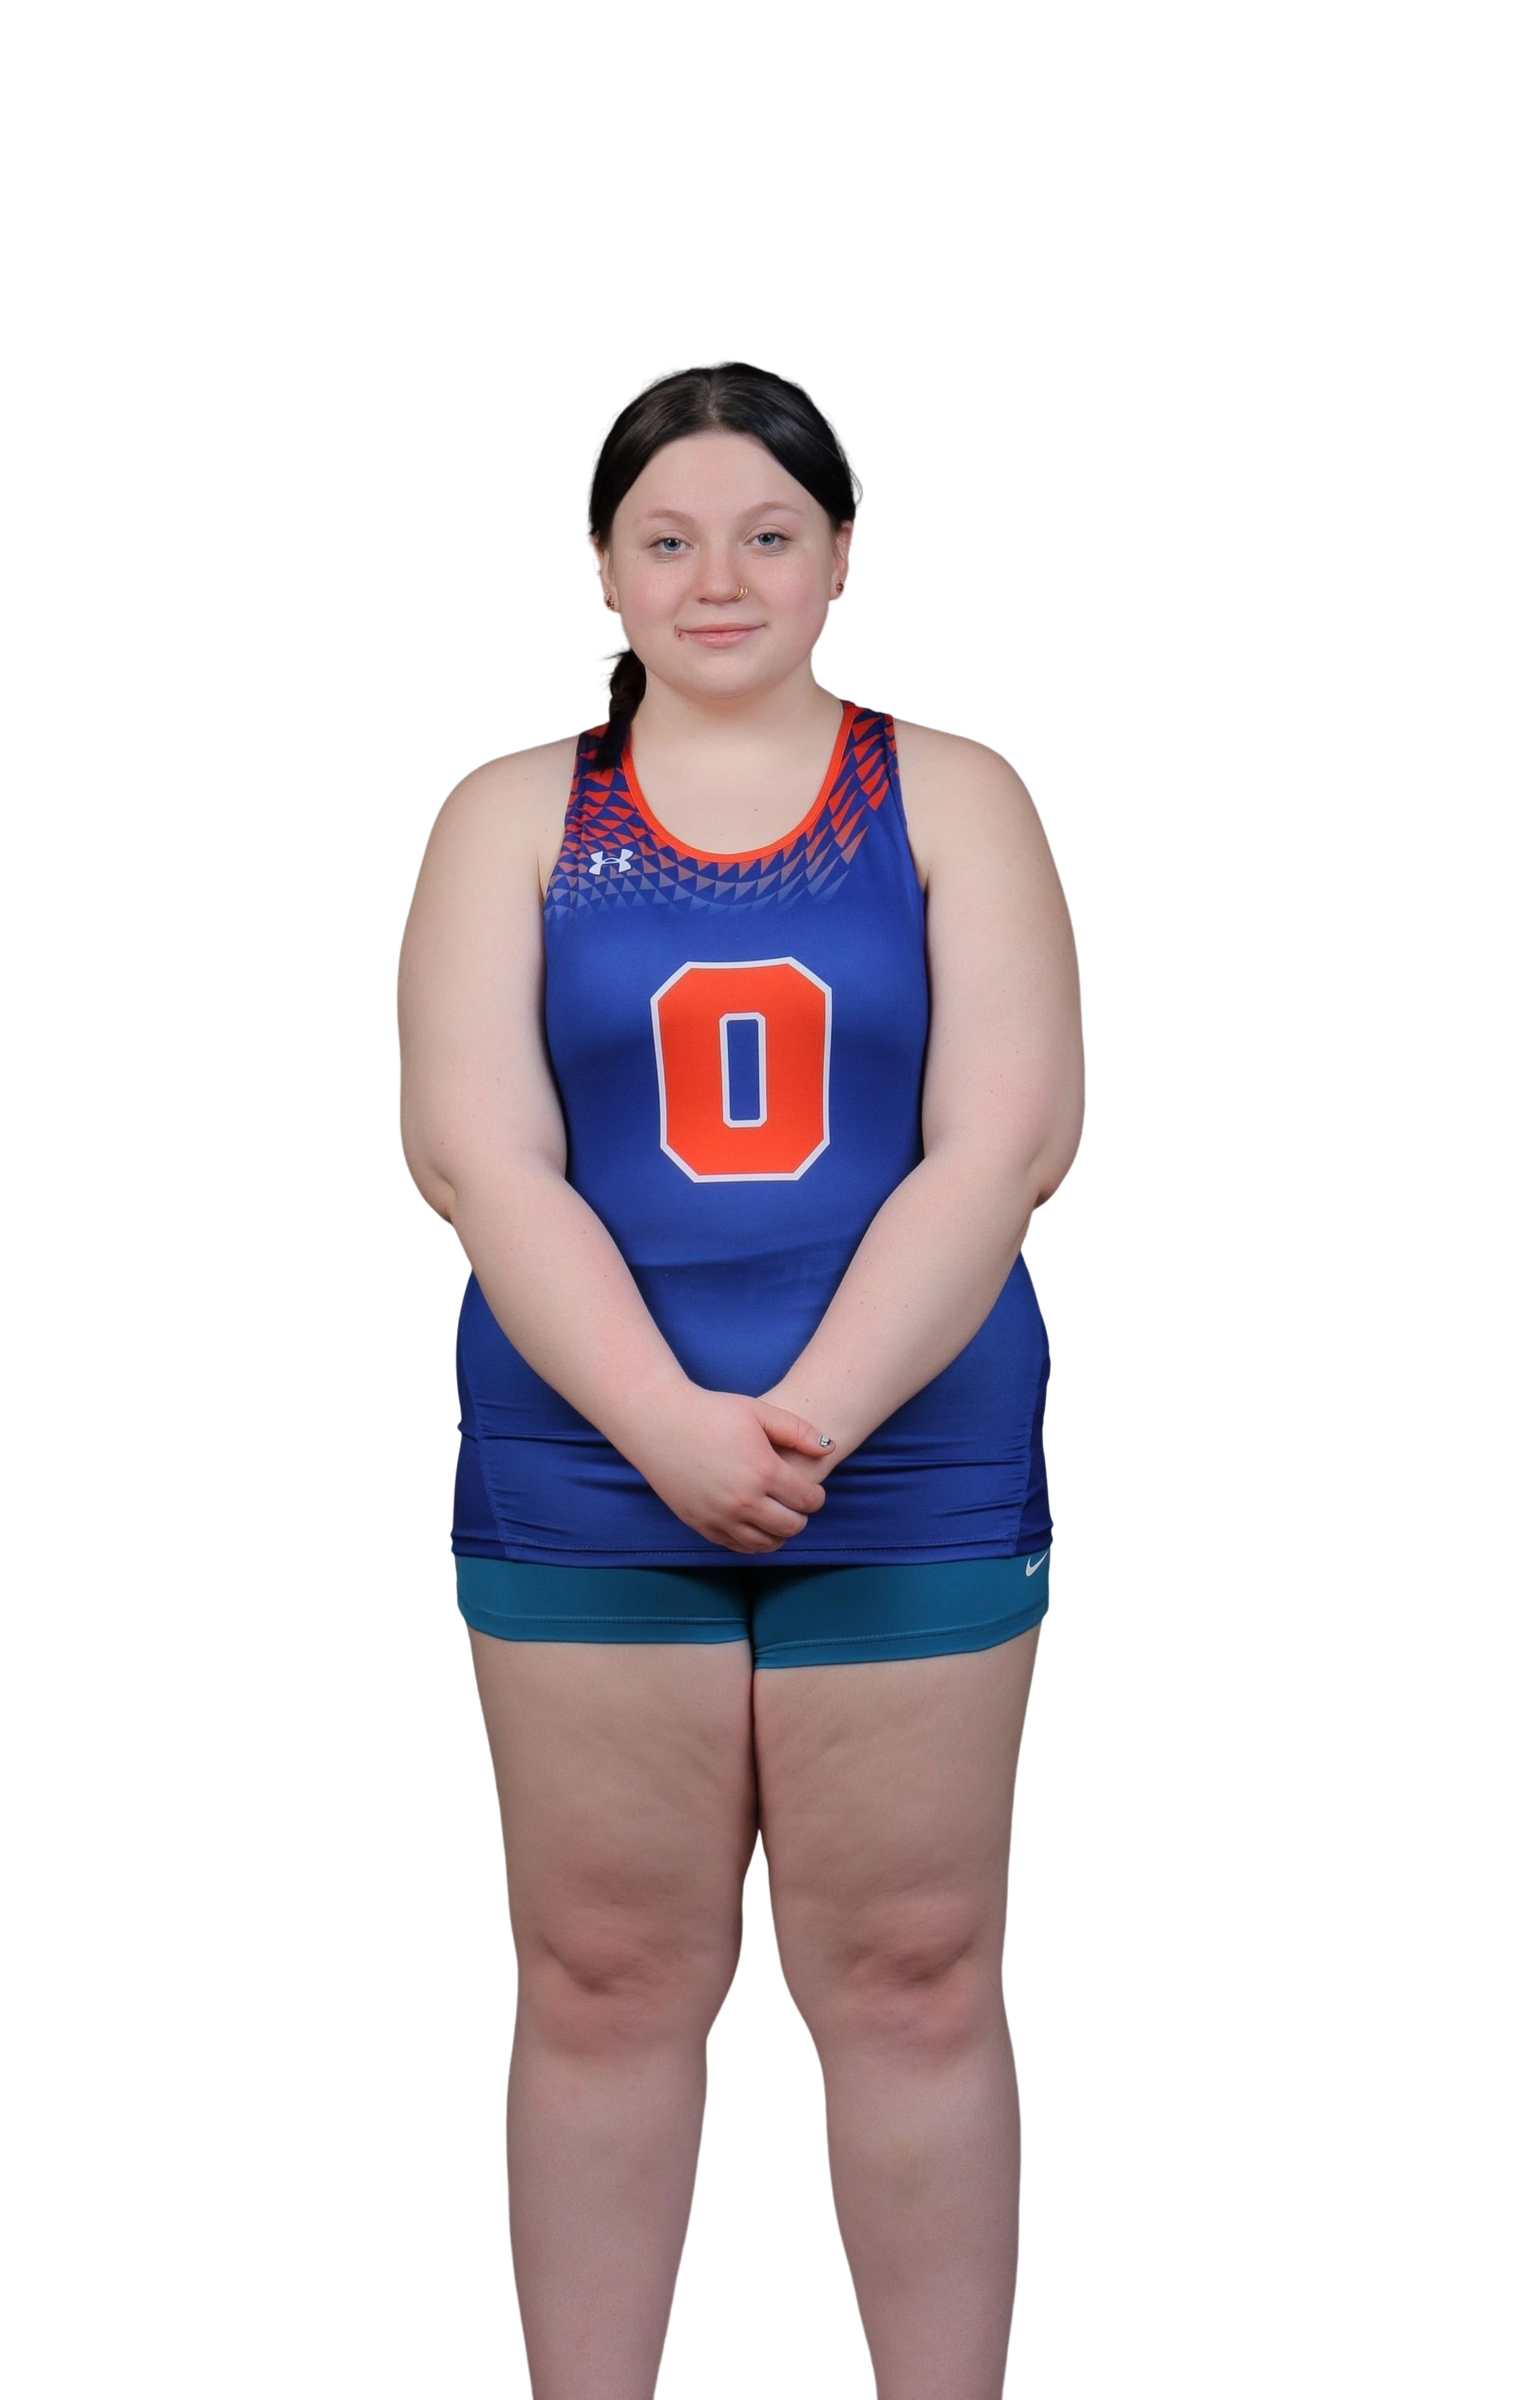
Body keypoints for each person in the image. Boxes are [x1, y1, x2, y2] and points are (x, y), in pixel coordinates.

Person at [393, 355, 1087, 2400]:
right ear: (602, 567)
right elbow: (476, 1157)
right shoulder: (510, 815)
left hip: (917, 1461)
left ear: (841, 555)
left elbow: (1009, 1141)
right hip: (582, 1466)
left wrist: (808, 1424)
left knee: (916, 1976)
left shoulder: (954, 795)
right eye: (671, 537)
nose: (721, 580)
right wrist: (666, 1429)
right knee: (602, 1976)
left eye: (770, 534)